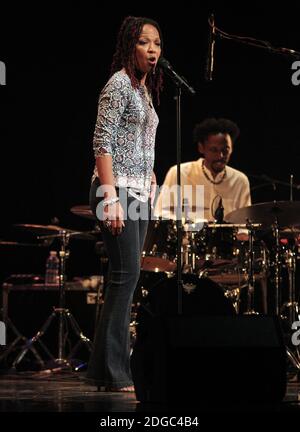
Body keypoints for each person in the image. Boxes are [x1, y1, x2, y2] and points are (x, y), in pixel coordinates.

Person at [85, 16, 163, 392]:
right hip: (116, 192)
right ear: (130, 46)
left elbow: (138, 142)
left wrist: (150, 175)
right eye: (145, 43)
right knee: (125, 276)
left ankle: (103, 370)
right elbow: (103, 142)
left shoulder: (145, 90)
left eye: (158, 44)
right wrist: (110, 196)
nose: (153, 50)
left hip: (138, 191)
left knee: (125, 280)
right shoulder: (118, 84)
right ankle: (115, 372)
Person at [154, 117, 251, 228]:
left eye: (225, 150)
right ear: (201, 148)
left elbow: (245, 225)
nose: (220, 156)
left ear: (232, 149)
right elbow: (161, 213)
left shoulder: (240, 180)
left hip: (227, 243)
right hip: (187, 242)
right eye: (214, 150)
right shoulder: (179, 173)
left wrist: (244, 234)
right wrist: (188, 225)